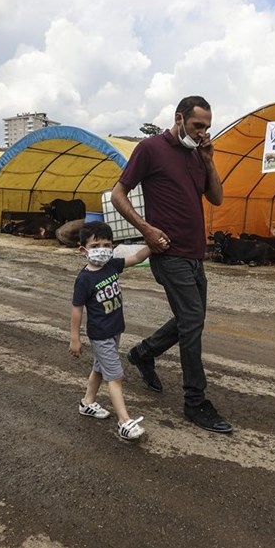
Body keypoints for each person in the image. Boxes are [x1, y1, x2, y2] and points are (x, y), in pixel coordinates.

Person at [111, 95, 232, 434]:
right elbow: (118, 194)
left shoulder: (197, 154)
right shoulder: (151, 148)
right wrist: (146, 230)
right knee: (192, 321)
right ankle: (195, 401)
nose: (203, 132)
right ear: (179, 119)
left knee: (190, 319)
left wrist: (208, 160)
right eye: (197, 126)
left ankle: (144, 353)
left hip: (195, 255)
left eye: (207, 127)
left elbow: (217, 198)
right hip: (168, 253)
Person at [69, 221, 151, 441]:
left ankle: (87, 403)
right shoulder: (84, 279)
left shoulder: (112, 265)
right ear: (83, 250)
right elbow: (77, 310)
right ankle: (124, 422)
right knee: (115, 376)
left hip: (115, 330)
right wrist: (74, 338)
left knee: (100, 368)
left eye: (107, 244)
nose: (101, 249)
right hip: (101, 334)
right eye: (95, 246)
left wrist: (152, 243)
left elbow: (137, 258)